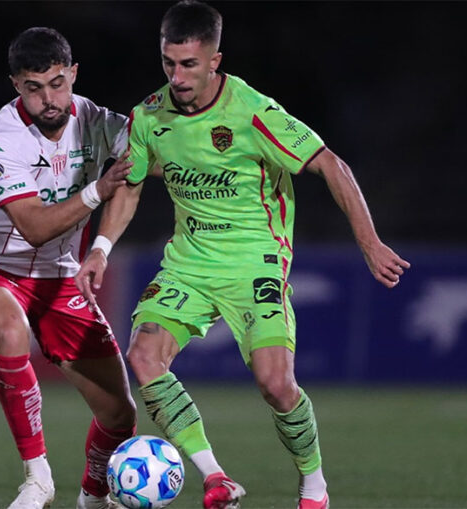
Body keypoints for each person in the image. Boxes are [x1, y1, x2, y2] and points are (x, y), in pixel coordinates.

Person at [75, 2, 411, 509]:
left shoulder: (254, 112)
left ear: (215, 61)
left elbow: (331, 165)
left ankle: (314, 486)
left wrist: (369, 242)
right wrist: (101, 249)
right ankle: (216, 478)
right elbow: (130, 184)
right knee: (143, 357)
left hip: (255, 263)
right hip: (188, 265)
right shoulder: (149, 116)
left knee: (276, 385)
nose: (177, 77)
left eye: (189, 64)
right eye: (168, 63)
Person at [0, 27, 137, 509]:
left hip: (59, 272)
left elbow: (144, 164)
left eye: (57, 83)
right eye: (33, 88)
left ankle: (94, 497)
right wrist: (98, 190)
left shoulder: (97, 121)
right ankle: (38, 477)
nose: (48, 99)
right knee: (11, 330)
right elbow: (33, 227)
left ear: (73, 74)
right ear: (16, 85)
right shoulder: (1, 137)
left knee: (119, 414)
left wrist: (102, 247)